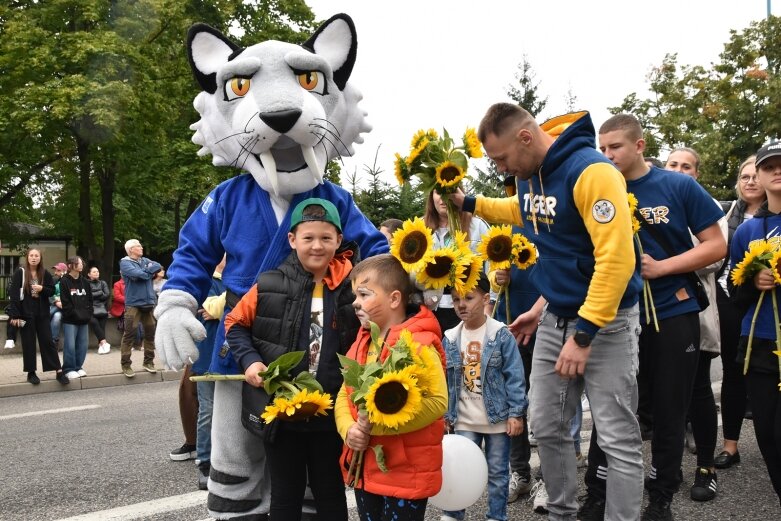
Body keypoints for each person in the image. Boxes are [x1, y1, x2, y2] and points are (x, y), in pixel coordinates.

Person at [452, 103, 644, 521]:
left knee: (617, 436)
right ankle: (561, 512)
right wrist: (468, 202)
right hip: (555, 317)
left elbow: (616, 260)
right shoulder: (528, 177)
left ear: (525, 137)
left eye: (501, 158)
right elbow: (521, 212)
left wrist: (584, 335)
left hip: (604, 324)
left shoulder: (592, 172)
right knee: (548, 426)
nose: (501, 167)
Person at [582, 114, 725, 520]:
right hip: (618, 315)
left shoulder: (677, 184)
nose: (607, 156)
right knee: (614, 407)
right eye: (602, 148)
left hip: (673, 309)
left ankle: (661, 496)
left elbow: (715, 246)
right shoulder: (596, 189)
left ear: (640, 146)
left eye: (616, 147)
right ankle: (598, 491)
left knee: (668, 408)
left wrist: (663, 267)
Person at [225, 199, 360, 520]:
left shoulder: (354, 287)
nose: (317, 246)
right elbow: (235, 324)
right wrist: (250, 362)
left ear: (339, 241)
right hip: (282, 412)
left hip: (332, 412)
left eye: (326, 238)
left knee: (330, 493)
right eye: (308, 238)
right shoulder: (269, 284)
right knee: (285, 496)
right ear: (292, 240)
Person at [335, 253, 447, 521]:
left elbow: (438, 402)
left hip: (406, 473)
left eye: (364, 295)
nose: (355, 303)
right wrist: (349, 430)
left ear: (395, 298)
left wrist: (378, 425)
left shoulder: (418, 343)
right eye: (355, 296)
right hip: (367, 470)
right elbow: (344, 393)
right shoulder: (361, 342)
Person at [666, 147, 728, 502]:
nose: (678, 170)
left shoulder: (705, 206)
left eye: (686, 166)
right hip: (657, 314)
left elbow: (712, 259)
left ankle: (707, 466)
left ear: (696, 174)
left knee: (699, 389)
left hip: (696, 311)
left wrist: (665, 260)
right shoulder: (652, 200)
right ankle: (668, 465)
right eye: (673, 164)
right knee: (666, 395)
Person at [441, 273, 526, 521]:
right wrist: (447, 415)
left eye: (468, 298)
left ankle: (496, 517)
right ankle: (453, 515)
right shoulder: (451, 337)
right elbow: (447, 382)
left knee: (498, 474)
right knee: (459, 471)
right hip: (465, 419)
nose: (461, 305)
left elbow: (515, 377)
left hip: (496, 419)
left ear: (486, 298)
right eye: (456, 299)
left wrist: (515, 414)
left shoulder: (500, 335)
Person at [729, 141, 781, 506]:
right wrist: (753, 282)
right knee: (768, 433)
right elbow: (733, 293)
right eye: (769, 166)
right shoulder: (747, 232)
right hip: (759, 341)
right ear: (759, 176)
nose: (777, 171)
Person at [714, 155, 766, 470]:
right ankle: (730, 446)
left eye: (754, 175)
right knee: (733, 374)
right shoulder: (727, 213)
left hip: (765, 305)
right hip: (730, 302)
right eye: (744, 176)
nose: (749, 182)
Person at [423, 189, 490, 332]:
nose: (444, 198)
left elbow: (492, 267)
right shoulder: (420, 230)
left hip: (469, 309)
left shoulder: (477, 226)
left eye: (449, 191)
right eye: (438, 193)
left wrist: (489, 308)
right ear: (431, 196)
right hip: (430, 310)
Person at [7, 249, 69, 385]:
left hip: (42, 313)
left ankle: (59, 371)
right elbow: (14, 294)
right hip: (26, 313)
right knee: (28, 343)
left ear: (40, 258)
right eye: (31, 255)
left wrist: (42, 289)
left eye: (36, 256)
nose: (34, 258)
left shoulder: (45, 273)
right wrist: (15, 314)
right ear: (27, 257)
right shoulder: (21, 272)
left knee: (48, 341)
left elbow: (51, 290)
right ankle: (31, 372)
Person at [194, 256, 227, 490]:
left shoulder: (233, 279)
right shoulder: (206, 279)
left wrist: (221, 305)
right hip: (207, 353)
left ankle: (225, 460)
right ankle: (205, 462)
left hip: (231, 354)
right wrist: (228, 301)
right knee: (209, 409)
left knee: (232, 411)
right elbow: (207, 308)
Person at [119, 239, 161, 378]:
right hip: (133, 304)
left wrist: (145, 272)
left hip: (148, 303)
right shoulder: (125, 263)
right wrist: (148, 272)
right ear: (131, 249)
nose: (141, 247)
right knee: (129, 334)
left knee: (150, 333)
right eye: (138, 246)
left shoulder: (144, 260)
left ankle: (148, 362)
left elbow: (158, 266)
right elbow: (141, 275)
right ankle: (126, 365)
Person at [60, 256, 93, 379]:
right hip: (70, 319)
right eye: (78, 263)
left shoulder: (85, 282)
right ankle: (68, 368)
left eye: (81, 263)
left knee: (83, 345)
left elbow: (90, 299)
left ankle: (78, 367)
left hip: (84, 319)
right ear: (70, 266)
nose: (81, 265)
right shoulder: (64, 281)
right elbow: (65, 302)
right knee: (70, 345)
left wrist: (88, 314)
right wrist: (74, 314)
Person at [87, 266, 111, 355]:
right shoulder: (86, 283)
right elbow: (88, 296)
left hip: (102, 308)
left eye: (97, 271)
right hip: (90, 309)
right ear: (89, 274)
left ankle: (101, 346)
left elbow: (107, 295)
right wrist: (100, 292)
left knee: (102, 327)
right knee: (94, 322)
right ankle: (104, 343)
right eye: (94, 272)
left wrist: (95, 295)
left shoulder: (103, 283)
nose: (96, 273)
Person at [49, 262, 67, 347]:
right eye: (55, 270)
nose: (55, 272)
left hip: (67, 308)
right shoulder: (55, 281)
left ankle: (43, 320)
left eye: (58, 270)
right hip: (57, 306)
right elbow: (50, 294)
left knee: (48, 313)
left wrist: (61, 300)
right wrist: (56, 301)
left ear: (65, 271)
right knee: (57, 316)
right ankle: (54, 342)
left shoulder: (69, 281)